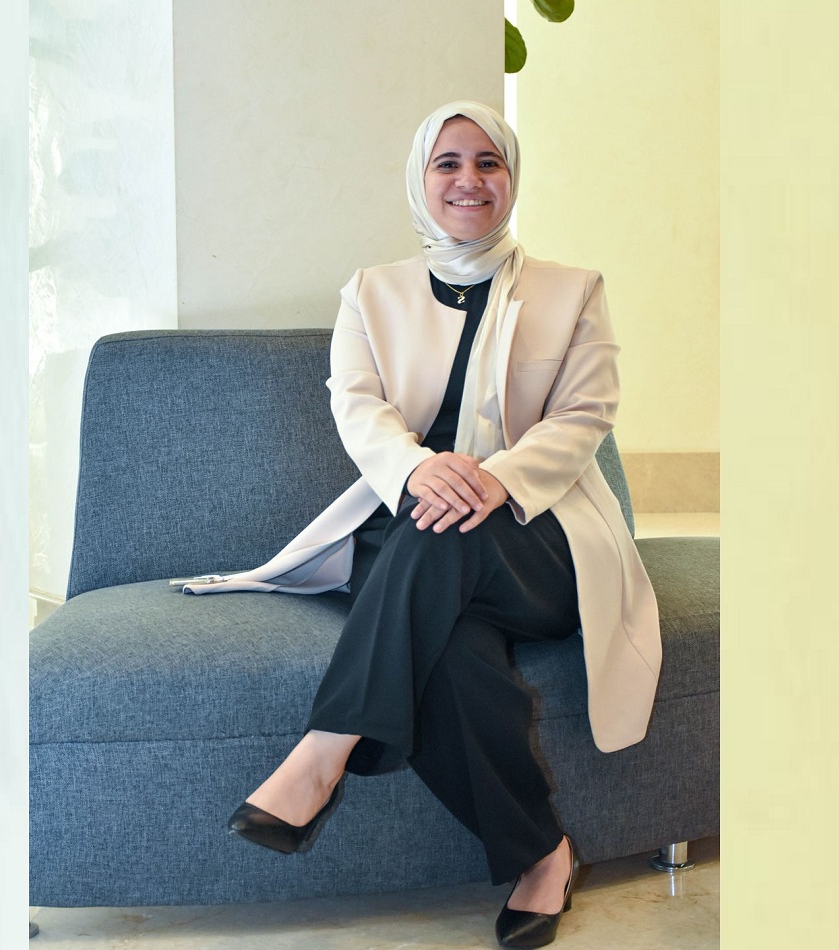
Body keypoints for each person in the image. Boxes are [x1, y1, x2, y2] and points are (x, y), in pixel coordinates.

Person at [216, 101, 662, 949]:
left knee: (435, 528)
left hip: (541, 539)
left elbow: (584, 416)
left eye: (489, 162)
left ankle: (324, 750)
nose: (469, 180)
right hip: (417, 532)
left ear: (512, 176)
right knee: (448, 640)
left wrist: (493, 480)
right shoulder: (371, 292)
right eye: (447, 163)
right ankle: (543, 854)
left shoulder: (574, 291)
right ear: (420, 178)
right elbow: (357, 407)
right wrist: (418, 468)